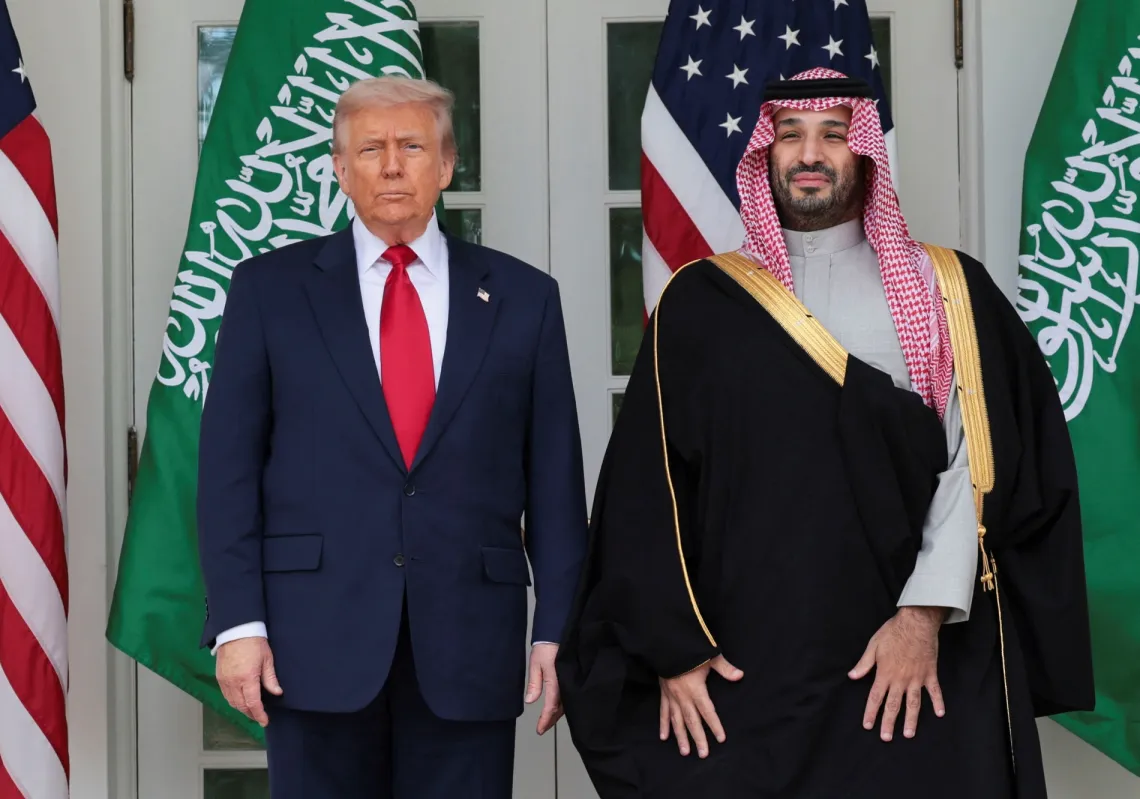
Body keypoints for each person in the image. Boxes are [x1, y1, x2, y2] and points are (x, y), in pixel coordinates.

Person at [556, 68, 1094, 798]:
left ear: (864, 151)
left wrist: (922, 616)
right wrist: (672, 650)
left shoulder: (947, 289)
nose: (810, 153)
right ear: (763, 154)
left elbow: (981, 464)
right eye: (790, 134)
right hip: (751, 668)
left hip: (909, 662)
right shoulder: (701, 303)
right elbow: (646, 493)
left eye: (833, 134)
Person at [196, 76, 588, 798]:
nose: (392, 165)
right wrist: (238, 623)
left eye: (412, 145)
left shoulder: (525, 298)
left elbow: (557, 485)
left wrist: (556, 628)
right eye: (370, 149)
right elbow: (227, 474)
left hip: (469, 643)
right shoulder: (269, 291)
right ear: (340, 169)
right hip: (310, 644)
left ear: (446, 164)